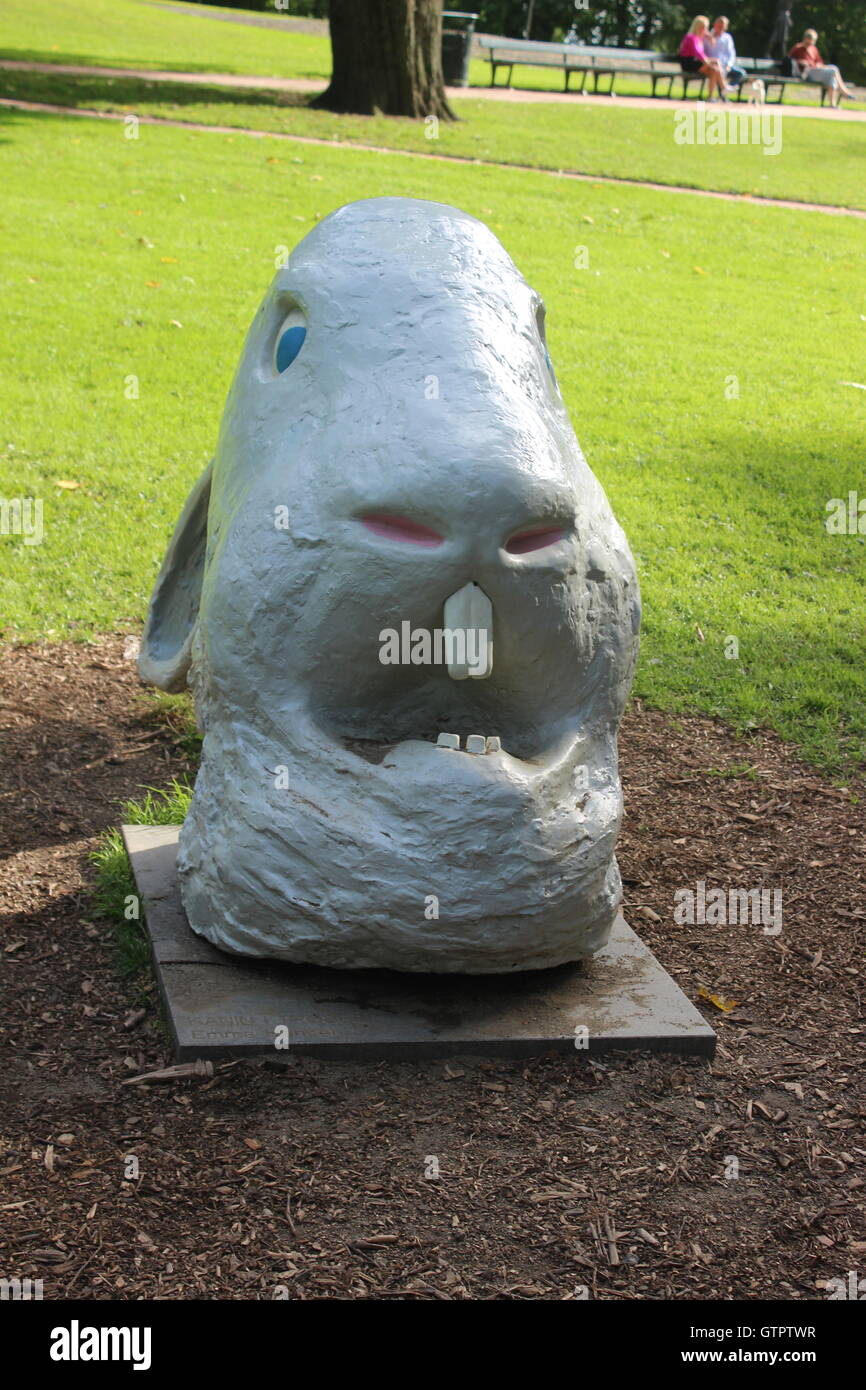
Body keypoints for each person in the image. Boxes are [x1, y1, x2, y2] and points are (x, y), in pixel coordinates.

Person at [788, 29, 857, 107]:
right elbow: (788, 60)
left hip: (816, 71)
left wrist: (818, 64)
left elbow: (819, 61)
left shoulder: (813, 49)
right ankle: (843, 91)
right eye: (808, 42)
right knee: (833, 69)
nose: (809, 44)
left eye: (812, 42)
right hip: (806, 73)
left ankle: (832, 104)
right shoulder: (797, 48)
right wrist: (799, 61)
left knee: (831, 77)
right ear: (804, 39)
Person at [679, 16, 730, 101]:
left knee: (715, 70)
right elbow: (698, 54)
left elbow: (702, 54)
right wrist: (708, 62)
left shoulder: (699, 38)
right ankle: (724, 87)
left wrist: (710, 37)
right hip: (689, 64)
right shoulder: (691, 37)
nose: (706, 29)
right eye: (704, 27)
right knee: (715, 64)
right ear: (698, 27)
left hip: (697, 63)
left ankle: (711, 96)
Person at [704, 16, 747, 90]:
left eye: (722, 27)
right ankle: (724, 90)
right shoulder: (707, 36)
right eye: (719, 26)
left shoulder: (727, 38)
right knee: (717, 70)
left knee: (741, 73)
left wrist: (729, 65)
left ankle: (727, 89)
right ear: (715, 25)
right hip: (712, 65)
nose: (720, 28)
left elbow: (731, 53)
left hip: (725, 65)